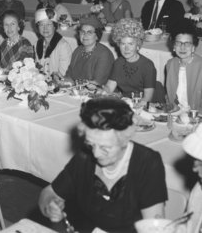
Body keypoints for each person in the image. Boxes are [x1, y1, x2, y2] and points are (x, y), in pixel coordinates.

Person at [38, 98, 167, 232]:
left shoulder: (147, 163)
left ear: (125, 138)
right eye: (91, 144)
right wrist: (50, 206)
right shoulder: (84, 157)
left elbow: (154, 228)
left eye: (105, 147)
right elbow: (49, 193)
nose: (96, 153)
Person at [165, 26, 202, 114]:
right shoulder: (170, 64)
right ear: (173, 46)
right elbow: (168, 98)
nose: (182, 47)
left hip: (196, 117)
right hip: (174, 114)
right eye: (178, 43)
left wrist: (190, 116)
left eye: (187, 44)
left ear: (193, 47)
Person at [104, 18, 156, 101]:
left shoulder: (147, 65)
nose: (126, 48)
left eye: (131, 44)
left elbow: (147, 98)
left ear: (138, 45)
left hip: (142, 106)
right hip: (124, 103)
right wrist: (99, 90)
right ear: (118, 45)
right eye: (123, 44)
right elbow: (109, 88)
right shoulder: (118, 63)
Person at [65, 15, 114, 85]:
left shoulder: (104, 54)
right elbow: (69, 76)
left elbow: (97, 83)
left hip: (99, 93)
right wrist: (62, 80)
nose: (85, 35)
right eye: (82, 32)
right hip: (78, 92)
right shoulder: (78, 51)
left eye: (89, 32)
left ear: (97, 35)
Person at [34, 8, 72, 77]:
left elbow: (63, 74)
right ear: (37, 27)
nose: (45, 28)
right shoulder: (38, 43)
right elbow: (37, 68)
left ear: (54, 26)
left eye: (49, 24)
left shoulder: (63, 46)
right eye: (42, 25)